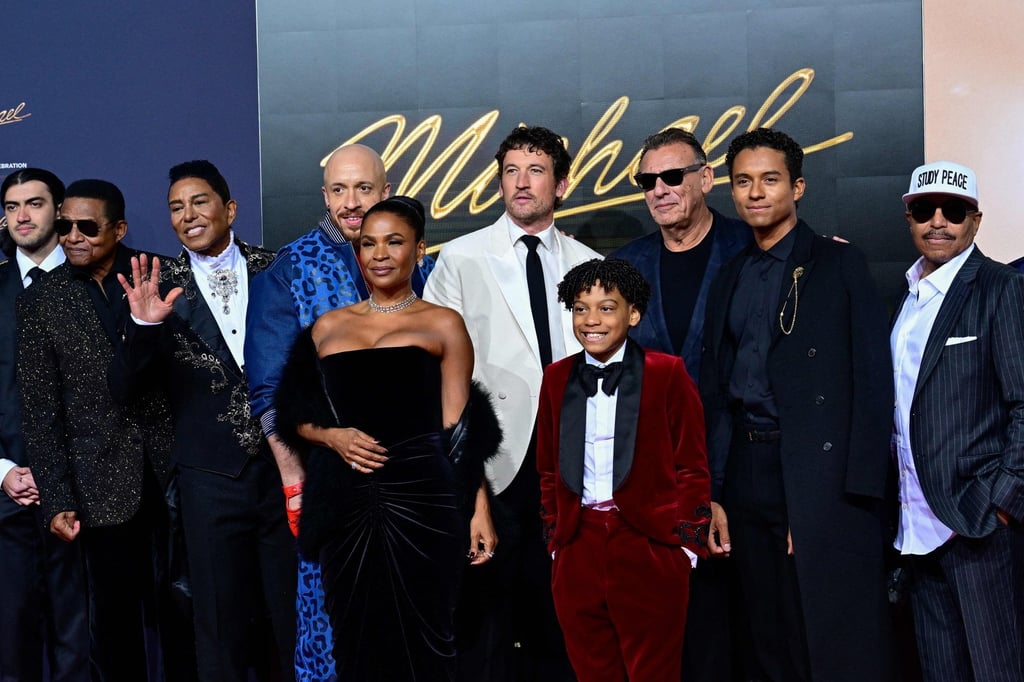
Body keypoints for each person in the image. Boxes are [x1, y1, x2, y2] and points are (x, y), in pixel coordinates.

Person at [274, 196, 501, 680]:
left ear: (418, 250)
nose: (379, 254)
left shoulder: (443, 323)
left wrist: (479, 507)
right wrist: (334, 438)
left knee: (429, 637)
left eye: (393, 242)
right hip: (346, 503)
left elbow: (461, 430)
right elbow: (296, 417)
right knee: (354, 636)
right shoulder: (327, 327)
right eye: (368, 244)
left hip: (425, 500)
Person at [700, 128, 894, 681]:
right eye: (743, 181)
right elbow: (716, 389)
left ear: (798, 187)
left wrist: (846, 499)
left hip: (813, 469)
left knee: (823, 633)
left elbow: (872, 383)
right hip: (745, 467)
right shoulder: (730, 274)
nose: (756, 192)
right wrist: (713, 490)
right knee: (762, 630)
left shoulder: (839, 263)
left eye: (770, 179)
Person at [245, 143, 433, 680]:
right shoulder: (288, 270)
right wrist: (294, 484)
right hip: (331, 479)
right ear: (325, 196)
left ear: (386, 191)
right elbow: (269, 393)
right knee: (332, 624)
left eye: (363, 188)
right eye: (339, 190)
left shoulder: (419, 265)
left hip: (413, 479)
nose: (351, 202)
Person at [424, 125, 601, 680]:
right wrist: (470, 485)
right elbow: (439, 376)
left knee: (564, 621)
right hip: (494, 464)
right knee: (487, 630)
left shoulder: (590, 264)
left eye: (536, 171)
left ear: (562, 184)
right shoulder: (460, 258)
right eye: (511, 172)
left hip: (572, 464)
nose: (521, 183)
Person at [111, 160, 297, 681]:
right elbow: (123, 388)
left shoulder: (277, 267)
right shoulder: (156, 286)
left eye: (199, 202)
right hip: (209, 479)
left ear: (229, 209)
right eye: (176, 208)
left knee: (292, 616)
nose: (187, 215)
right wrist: (143, 325)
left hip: (286, 470)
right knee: (218, 622)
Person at [16, 179, 183, 681]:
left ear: (119, 229)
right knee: (113, 623)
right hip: (98, 483)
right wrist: (57, 497)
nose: (72, 236)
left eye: (87, 227)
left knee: (188, 610)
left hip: (177, 471)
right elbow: (41, 410)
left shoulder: (164, 275)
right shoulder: (42, 299)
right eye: (65, 225)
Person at [609, 128, 750, 680]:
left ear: (706, 178)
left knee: (736, 633)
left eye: (672, 176)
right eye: (648, 181)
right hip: (654, 483)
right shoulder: (626, 265)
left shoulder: (751, 247)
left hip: (743, 469)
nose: (659, 190)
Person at [536, 258, 710, 681]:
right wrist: (557, 542)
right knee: (592, 670)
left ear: (633, 314)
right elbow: (547, 469)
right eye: (581, 308)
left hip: (649, 543)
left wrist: (685, 548)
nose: (591, 320)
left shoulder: (666, 372)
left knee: (654, 672)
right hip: (577, 546)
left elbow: (691, 466)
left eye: (606, 308)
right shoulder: (556, 377)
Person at [891, 160, 1024, 681]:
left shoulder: (1000, 287)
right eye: (925, 209)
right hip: (915, 528)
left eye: (954, 210)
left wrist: (1002, 502)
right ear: (909, 218)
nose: (938, 221)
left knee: (997, 670)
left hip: (978, 525)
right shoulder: (906, 298)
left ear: (976, 220)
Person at [0, 168, 89, 682]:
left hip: (85, 493)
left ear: (59, 210)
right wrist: (4, 470)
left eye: (34, 203)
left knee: (83, 643)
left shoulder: (93, 283)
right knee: (12, 641)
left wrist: (62, 474)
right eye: (12, 207)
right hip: (8, 496)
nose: (22, 216)